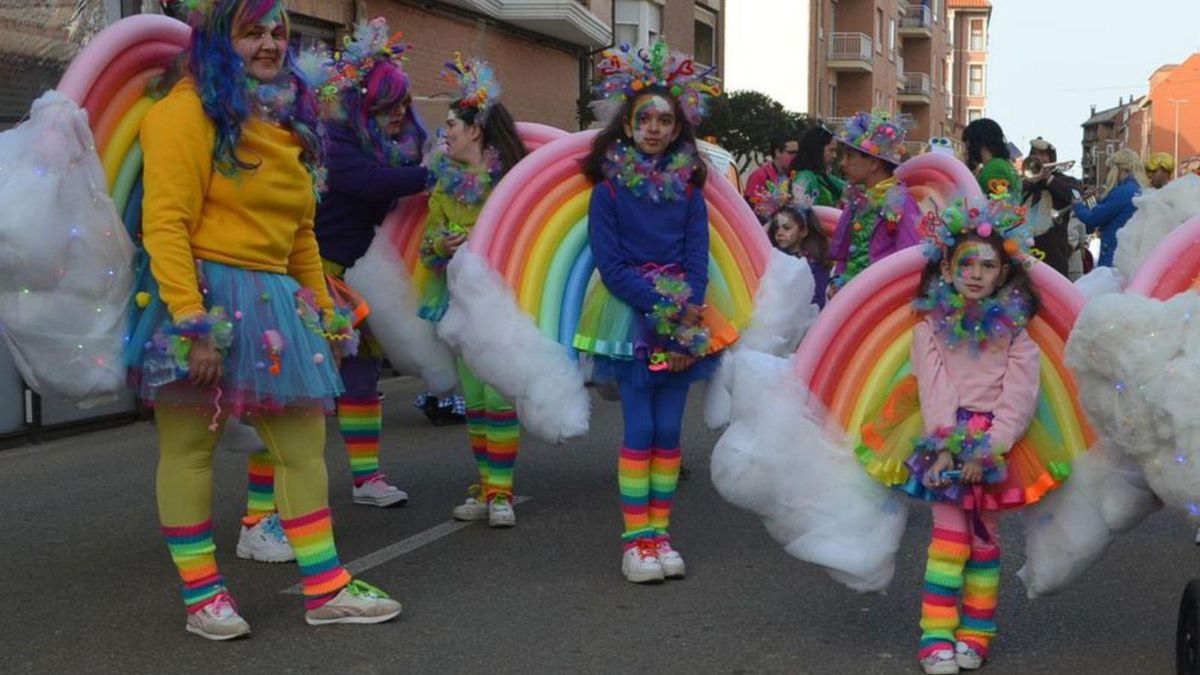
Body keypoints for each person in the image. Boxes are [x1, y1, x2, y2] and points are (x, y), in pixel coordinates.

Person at [128, 0, 401, 639]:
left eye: (279, 32)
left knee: (303, 448)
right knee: (191, 450)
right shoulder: (183, 112)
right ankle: (204, 598)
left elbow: (301, 235)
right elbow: (164, 223)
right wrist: (192, 322)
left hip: (278, 301)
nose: (272, 44)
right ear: (220, 40)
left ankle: (326, 587)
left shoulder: (282, 123)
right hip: (201, 291)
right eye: (254, 32)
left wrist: (327, 314)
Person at [854, 198, 1068, 673]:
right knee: (950, 539)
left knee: (985, 541)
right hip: (945, 441)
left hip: (999, 443)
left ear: (1004, 274)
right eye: (965, 263)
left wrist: (991, 449)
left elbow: (1021, 395)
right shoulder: (930, 328)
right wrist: (949, 447)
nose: (975, 273)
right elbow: (934, 389)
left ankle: (977, 632)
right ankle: (936, 634)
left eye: (987, 265)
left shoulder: (1016, 334)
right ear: (947, 269)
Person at [575, 40, 735, 584]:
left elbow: (698, 254)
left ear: (676, 129)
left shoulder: (690, 190)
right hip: (630, 316)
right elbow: (610, 263)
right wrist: (660, 303)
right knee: (639, 428)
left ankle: (660, 534)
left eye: (665, 120)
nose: (654, 127)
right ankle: (635, 540)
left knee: (670, 431)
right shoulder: (610, 191)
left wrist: (688, 306)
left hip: (683, 319)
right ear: (627, 126)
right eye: (644, 118)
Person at [419, 54, 528, 527]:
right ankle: (486, 487)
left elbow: (528, 239)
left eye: (451, 125)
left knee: (499, 397)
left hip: (503, 307)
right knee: (476, 402)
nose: (444, 133)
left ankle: (501, 493)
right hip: (461, 304)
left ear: (475, 131)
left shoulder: (508, 182)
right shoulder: (443, 185)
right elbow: (427, 247)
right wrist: (440, 243)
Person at [827, 111, 922, 295]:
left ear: (873, 163)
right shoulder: (858, 199)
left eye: (849, 156)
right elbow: (846, 253)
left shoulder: (901, 203)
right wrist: (839, 280)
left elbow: (911, 262)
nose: (842, 163)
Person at [754, 175, 831, 307]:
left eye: (787, 228)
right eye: (776, 228)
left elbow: (817, 300)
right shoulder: (771, 257)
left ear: (803, 231)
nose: (779, 232)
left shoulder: (815, 263)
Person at [1074, 147, 1147, 267]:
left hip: (1114, 255)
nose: (1109, 174)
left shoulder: (1122, 192)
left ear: (1122, 169)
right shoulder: (1141, 190)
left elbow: (1093, 219)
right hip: (1132, 256)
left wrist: (1078, 206)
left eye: (1111, 169)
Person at [1020, 137, 1079, 276]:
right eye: (1035, 154)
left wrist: (1049, 179)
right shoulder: (1025, 183)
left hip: (1054, 255)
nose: (1039, 158)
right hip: (1025, 251)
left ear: (1051, 158)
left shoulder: (1065, 181)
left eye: (1043, 154)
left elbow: (1075, 197)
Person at [963, 118, 1021, 204]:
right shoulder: (1004, 164)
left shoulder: (995, 168)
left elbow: (993, 209)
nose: (966, 150)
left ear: (977, 143)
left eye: (967, 144)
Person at [790, 123, 846, 208]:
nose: (835, 155)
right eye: (831, 150)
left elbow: (848, 188)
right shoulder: (805, 178)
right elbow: (799, 211)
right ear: (817, 150)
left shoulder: (821, 175)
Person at [743, 132, 799, 213]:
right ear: (778, 152)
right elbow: (749, 201)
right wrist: (770, 202)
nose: (795, 157)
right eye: (791, 153)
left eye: (797, 153)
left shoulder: (795, 176)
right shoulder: (760, 175)